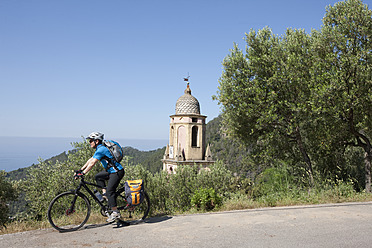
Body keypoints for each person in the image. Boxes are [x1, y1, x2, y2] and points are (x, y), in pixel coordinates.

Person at [75, 132, 125, 222]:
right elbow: (90, 160)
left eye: (91, 141)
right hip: (111, 171)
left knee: (110, 191)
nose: (89, 142)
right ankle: (105, 195)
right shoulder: (99, 148)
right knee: (98, 177)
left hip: (117, 172)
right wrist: (80, 170)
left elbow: (92, 164)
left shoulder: (101, 149)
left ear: (96, 141)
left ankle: (115, 212)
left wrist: (83, 173)